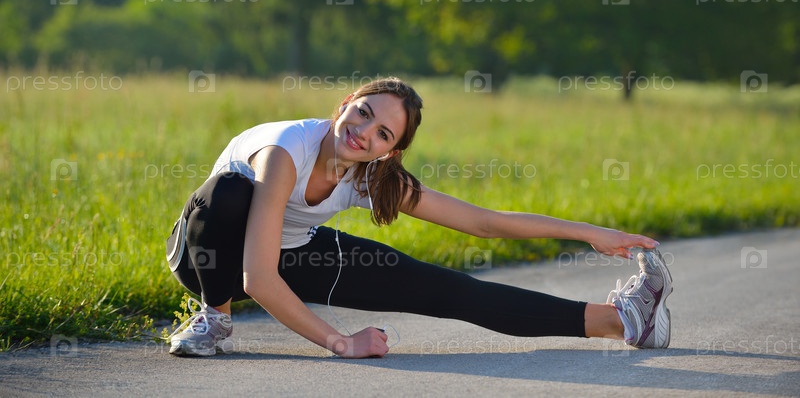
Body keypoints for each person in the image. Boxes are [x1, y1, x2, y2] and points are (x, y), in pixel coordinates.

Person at [165, 77, 672, 358]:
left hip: (290, 252)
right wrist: (342, 342)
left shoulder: (371, 175)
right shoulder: (285, 150)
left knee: (451, 290)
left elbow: (484, 223)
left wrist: (591, 233)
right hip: (207, 259)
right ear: (346, 104)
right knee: (229, 192)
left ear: (390, 151)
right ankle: (214, 319)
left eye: (383, 134)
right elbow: (256, 278)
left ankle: (624, 321)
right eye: (364, 113)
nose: (364, 132)